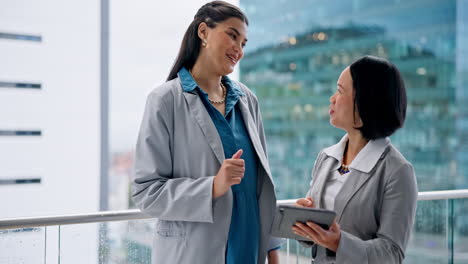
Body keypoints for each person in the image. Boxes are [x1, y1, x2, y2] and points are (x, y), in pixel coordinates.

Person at [132, 1, 282, 263]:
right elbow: (147, 193)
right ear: (203, 32)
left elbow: (260, 186)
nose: (239, 49)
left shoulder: (248, 100)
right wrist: (213, 186)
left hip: (249, 251)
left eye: (244, 43)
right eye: (232, 35)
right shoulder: (165, 100)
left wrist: (272, 250)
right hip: (194, 254)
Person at [292, 55, 418, 263]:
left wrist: (339, 242)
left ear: (364, 103)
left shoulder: (397, 171)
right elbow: (315, 238)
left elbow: (392, 253)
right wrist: (305, 221)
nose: (332, 98)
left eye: (340, 91)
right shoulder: (327, 158)